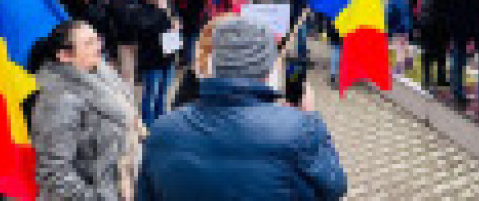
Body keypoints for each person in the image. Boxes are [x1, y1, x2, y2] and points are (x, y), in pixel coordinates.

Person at [137, 17, 348, 200]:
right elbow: (334, 186)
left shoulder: (163, 129)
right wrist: (309, 116)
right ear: (268, 70)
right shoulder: (300, 128)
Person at [29, 21, 141, 201]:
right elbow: (53, 172)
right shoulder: (59, 99)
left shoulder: (103, 74)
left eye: (97, 40)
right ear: (65, 56)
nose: (98, 47)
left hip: (121, 188)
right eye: (89, 43)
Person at [135, 0, 175, 128]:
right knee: (150, 95)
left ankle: (162, 123)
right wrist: (162, 12)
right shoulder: (139, 8)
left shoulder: (165, 6)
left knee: (163, 94)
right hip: (151, 59)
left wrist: (175, 23)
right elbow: (147, 28)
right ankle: (148, 125)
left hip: (167, 56)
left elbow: (172, 24)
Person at [109, 0, 142, 85]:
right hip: (124, 42)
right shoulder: (115, 0)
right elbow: (112, 20)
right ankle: (129, 98)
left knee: (142, 71)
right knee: (127, 75)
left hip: (142, 41)